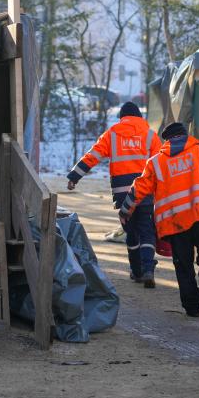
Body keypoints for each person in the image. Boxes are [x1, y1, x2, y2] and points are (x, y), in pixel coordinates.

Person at [119, 122, 199, 316]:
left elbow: (140, 187)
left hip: (174, 221)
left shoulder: (156, 162)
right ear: (185, 135)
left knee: (183, 264)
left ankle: (192, 307)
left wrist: (125, 210)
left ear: (167, 140)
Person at [67, 102, 162, 286]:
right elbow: (161, 163)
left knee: (131, 232)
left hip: (121, 193)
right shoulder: (150, 135)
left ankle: (136, 271)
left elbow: (93, 155)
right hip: (144, 192)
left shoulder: (112, 134)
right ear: (139, 117)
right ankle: (148, 269)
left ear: (122, 117)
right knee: (147, 231)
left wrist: (74, 176)